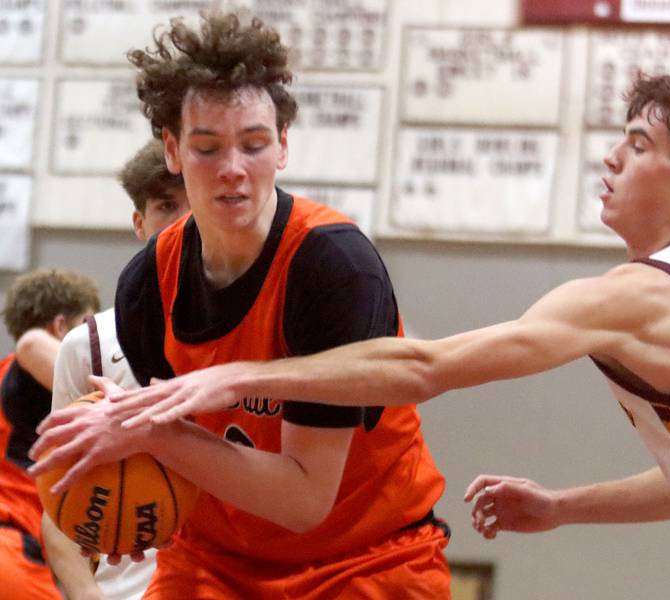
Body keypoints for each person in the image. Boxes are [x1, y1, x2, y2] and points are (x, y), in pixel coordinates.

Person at [49, 73, 670, 599]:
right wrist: (563, 506)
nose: (611, 156)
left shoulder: (639, 295)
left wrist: (240, 377)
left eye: (637, 145)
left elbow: (425, 368)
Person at [30, 11, 450, 600]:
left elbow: (304, 499)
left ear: (282, 146)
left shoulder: (333, 269)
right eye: (207, 148)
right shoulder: (148, 284)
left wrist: (139, 430)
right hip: (216, 560)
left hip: (363, 558)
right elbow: (181, 445)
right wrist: (128, 496)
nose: (233, 169)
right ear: (172, 150)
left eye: (253, 145)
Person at [41, 139, 189, 600]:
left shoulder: (255, 336)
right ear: (139, 224)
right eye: (167, 205)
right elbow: (58, 498)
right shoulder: (87, 347)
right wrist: (87, 593)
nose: (184, 220)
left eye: (194, 203)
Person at [0, 268, 99, 600]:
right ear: (60, 327)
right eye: (88, 328)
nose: (95, 343)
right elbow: (31, 343)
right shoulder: (32, 360)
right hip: (10, 543)